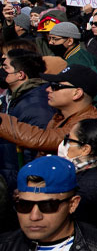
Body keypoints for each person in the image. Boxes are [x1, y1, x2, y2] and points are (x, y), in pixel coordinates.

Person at [0, 64, 97, 154]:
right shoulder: (60, 116)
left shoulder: (89, 124)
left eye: (56, 86)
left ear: (77, 93)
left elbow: (41, 139)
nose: (48, 89)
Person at [0, 50, 55, 191]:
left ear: (20, 75)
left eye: (5, 67)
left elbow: (38, 151)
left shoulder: (36, 106)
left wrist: (28, 185)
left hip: (21, 181)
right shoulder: (16, 96)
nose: (1, 70)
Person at [46, 22, 97, 107]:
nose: (51, 42)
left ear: (70, 41)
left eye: (55, 39)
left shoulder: (84, 62)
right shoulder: (65, 56)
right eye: (50, 38)